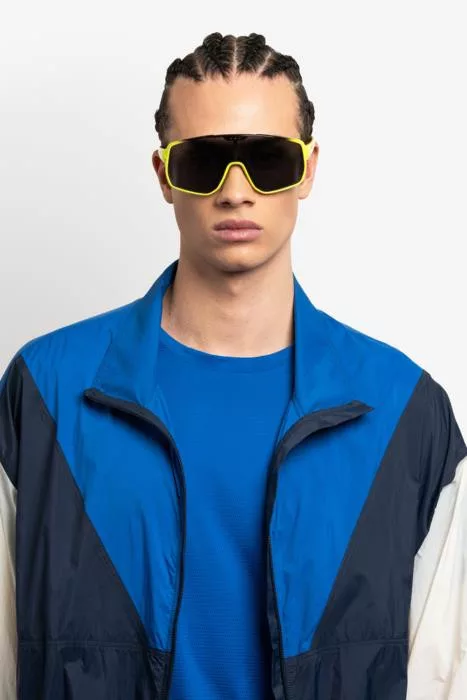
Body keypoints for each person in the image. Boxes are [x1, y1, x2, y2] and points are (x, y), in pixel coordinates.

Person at [0, 31, 466, 700]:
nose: (236, 191)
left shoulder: (405, 414)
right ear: (164, 175)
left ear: (308, 169)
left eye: (268, 160)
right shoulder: (43, 393)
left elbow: (444, 675)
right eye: (204, 162)